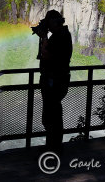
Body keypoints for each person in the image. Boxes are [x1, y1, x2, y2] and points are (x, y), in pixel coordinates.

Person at [36, 10, 72, 154]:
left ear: (54, 22)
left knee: (52, 117)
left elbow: (47, 56)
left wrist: (44, 37)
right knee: (52, 116)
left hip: (54, 82)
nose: (48, 27)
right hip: (55, 80)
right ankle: (53, 147)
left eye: (48, 23)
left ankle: (53, 149)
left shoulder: (60, 36)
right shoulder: (59, 35)